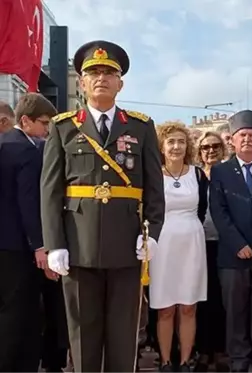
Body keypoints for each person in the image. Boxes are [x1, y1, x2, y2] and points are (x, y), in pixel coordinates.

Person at [41, 40, 165, 373]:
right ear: (81, 82)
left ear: (120, 82)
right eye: (93, 72)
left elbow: (154, 187)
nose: (101, 78)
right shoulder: (63, 127)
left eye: (109, 72)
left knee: (124, 336)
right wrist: (55, 243)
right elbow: (51, 190)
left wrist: (152, 231)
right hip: (79, 246)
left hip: (127, 246)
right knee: (83, 335)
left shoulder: (140, 127)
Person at [211, 110, 252, 373]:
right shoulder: (220, 171)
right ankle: (239, 360)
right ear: (232, 140)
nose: (247, 140)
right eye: (242, 135)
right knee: (236, 312)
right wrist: (237, 243)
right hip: (232, 256)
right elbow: (219, 211)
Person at [0, 93, 58, 373]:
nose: (47, 130)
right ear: (26, 121)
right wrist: (39, 245)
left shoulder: (3, 143)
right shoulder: (26, 150)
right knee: (18, 316)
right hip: (18, 247)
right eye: (44, 123)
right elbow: (29, 201)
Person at [151, 122, 209, 373]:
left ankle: (185, 362)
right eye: (171, 141)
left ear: (188, 146)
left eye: (181, 141)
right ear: (162, 147)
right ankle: (165, 361)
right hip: (162, 244)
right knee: (165, 308)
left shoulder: (197, 175)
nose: (176, 146)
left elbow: (203, 208)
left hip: (192, 244)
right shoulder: (152, 174)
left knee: (188, 306)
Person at [194, 131, 228, 373]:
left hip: (225, 243)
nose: (210, 150)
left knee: (222, 299)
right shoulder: (193, 175)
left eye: (215, 146)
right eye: (205, 147)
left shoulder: (229, 173)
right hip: (198, 244)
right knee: (201, 300)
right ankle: (203, 350)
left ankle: (221, 350)